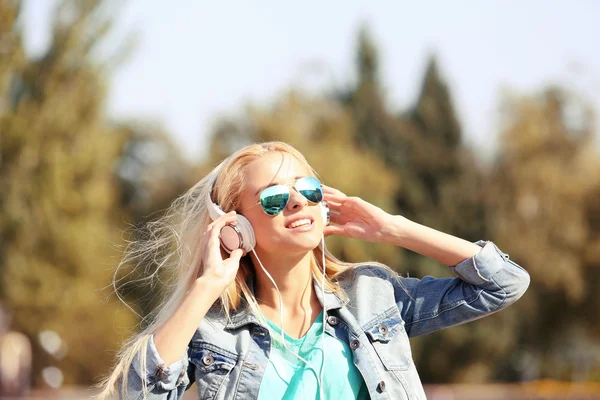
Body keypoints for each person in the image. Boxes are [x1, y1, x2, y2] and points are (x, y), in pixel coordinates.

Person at [96, 141, 530, 400]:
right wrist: (208, 285)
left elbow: (503, 284)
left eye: (307, 190)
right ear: (236, 227)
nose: (298, 202)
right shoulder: (214, 332)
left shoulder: (371, 295)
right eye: (273, 198)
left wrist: (393, 228)